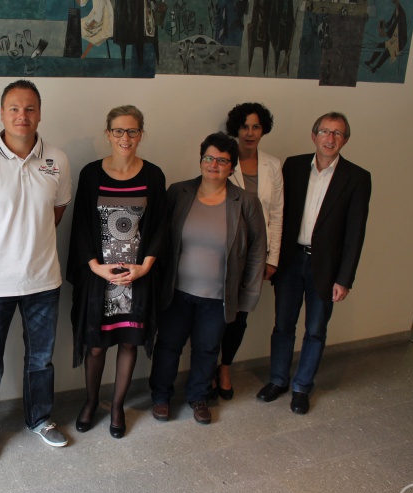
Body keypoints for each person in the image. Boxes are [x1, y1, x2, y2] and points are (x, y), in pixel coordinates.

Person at [0, 80, 72, 462]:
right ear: (2, 113)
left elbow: (55, 213)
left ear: (40, 113)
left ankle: (41, 419)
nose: (23, 116)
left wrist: (28, 245)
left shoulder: (57, 160)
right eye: (15, 109)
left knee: (41, 360)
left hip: (43, 280)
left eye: (30, 108)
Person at [257, 112, 371, 414]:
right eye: (325, 131)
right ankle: (278, 380)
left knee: (316, 329)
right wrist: (271, 257)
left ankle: (302, 387)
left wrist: (345, 278)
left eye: (337, 133)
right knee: (283, 325)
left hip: (327, 267)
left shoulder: (357, 178)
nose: (330, 138)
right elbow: (278, 214)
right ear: (314, 135)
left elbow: (355, 233)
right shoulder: (293, 166)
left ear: (345, 140)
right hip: (290, 260)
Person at [149, 133, 266, 424]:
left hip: (218, 295)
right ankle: (161, 397)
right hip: (176, 291)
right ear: (201, 160)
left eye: (222, 161)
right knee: (168, 345)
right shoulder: (178, 192)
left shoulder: (246, 202)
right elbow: (159, 237)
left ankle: (199, 397)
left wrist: (249, 296)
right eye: (209, 158)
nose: (214, 165)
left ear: (232, 167)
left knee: (207, 348)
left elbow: (257, 250)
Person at [67, 105, 167, 439]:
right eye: (119, 131)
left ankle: (118, 406)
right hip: (100, 278)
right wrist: (95, 267)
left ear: (141, 134)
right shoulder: (91, 174)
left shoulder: (153, 175)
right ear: (108, 134)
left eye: (132, 131)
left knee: (128, 343)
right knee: (96, 345)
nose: (126, 137)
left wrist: (145, 267)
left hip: (137, 277)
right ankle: (91, 401)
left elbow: (160, 226)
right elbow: (81, 225)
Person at [215, 102, 283, 399]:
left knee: (240, 316)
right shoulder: (223, 161)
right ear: (236, 129)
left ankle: (225, 367)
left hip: (256, 253)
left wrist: (272, 258)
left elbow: (277, 214)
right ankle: (205, 367)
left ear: (263, 130)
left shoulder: (273, 165)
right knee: (215, 313)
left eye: (256, 126)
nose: (250, 133)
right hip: (225, 250)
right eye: (244, 126)